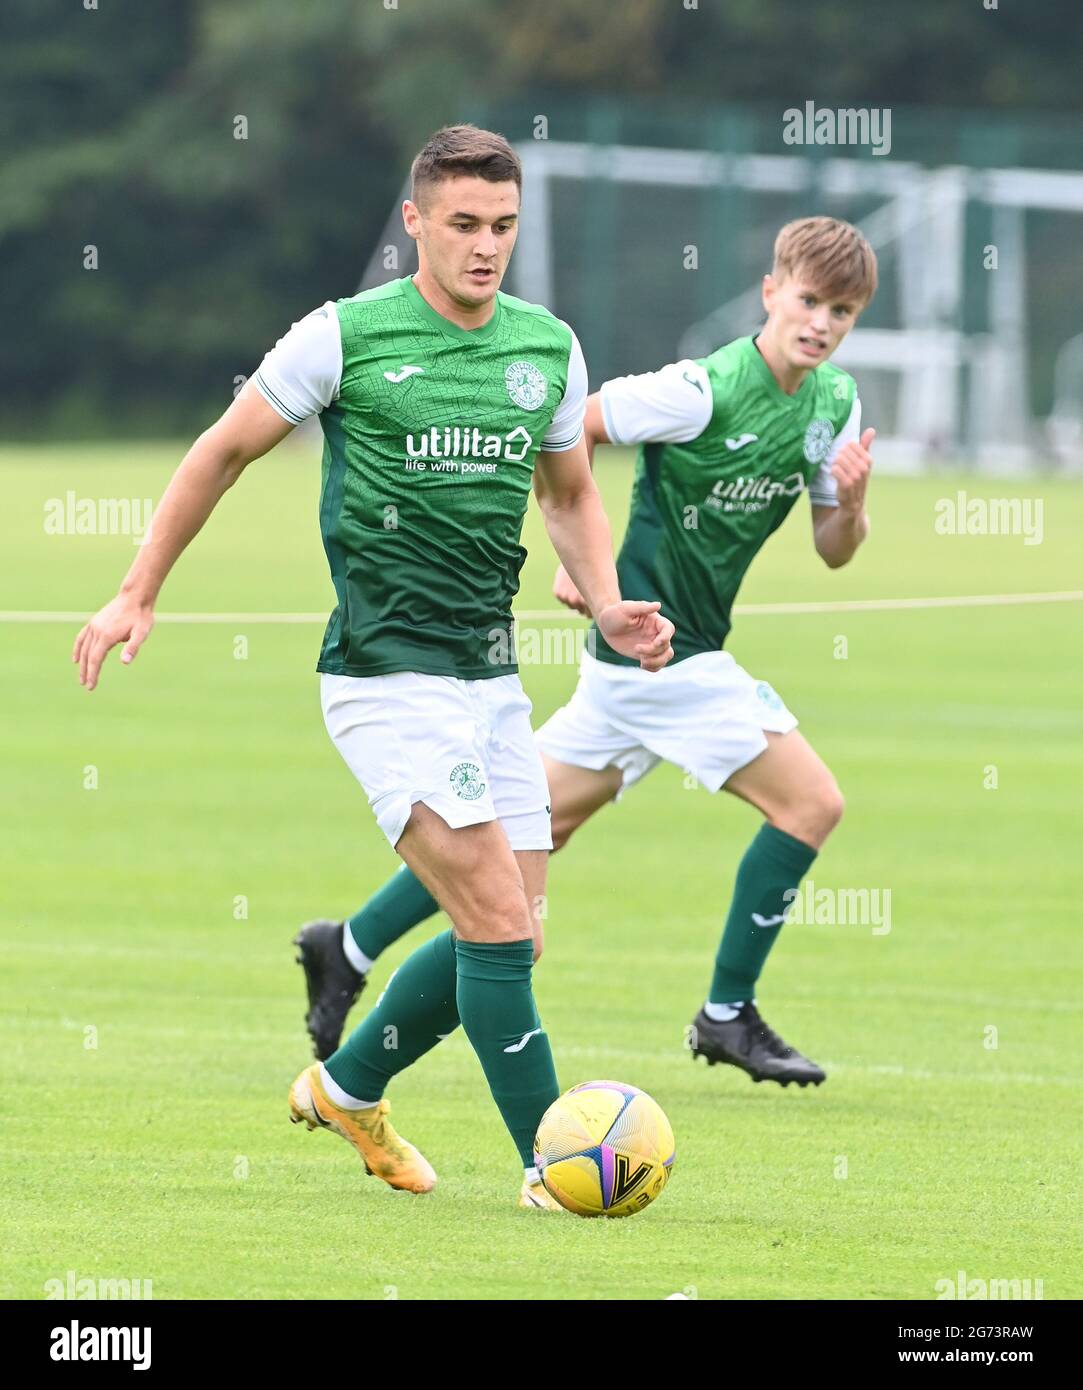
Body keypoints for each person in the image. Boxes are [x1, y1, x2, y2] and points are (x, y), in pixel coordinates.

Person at [73, 124, 674, 1211]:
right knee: (493, 920)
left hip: (491, 679)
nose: (485, 247)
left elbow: (573, 490)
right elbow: (221, 450)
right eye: (463, 226)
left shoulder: (547, 346)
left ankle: (348, 1088)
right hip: (384, 678)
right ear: (415, 223)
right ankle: (555, 1165)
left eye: (502, 227)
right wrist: (136, 589)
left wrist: (605, 593)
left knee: (519, 934)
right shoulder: (344, 337)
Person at [298, 215, 877, 1090]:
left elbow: (833, 548)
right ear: (769, 291)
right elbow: (572, 429)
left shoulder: (835, 404)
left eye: (841, 310)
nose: (820, 323)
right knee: (812, 805)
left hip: (645, 670)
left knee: (530, 831)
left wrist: (853, 507)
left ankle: (346, 945)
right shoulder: (699, 388)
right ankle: (725, 1013)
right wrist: (594, 581)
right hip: (668, 661)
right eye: (807, 299)